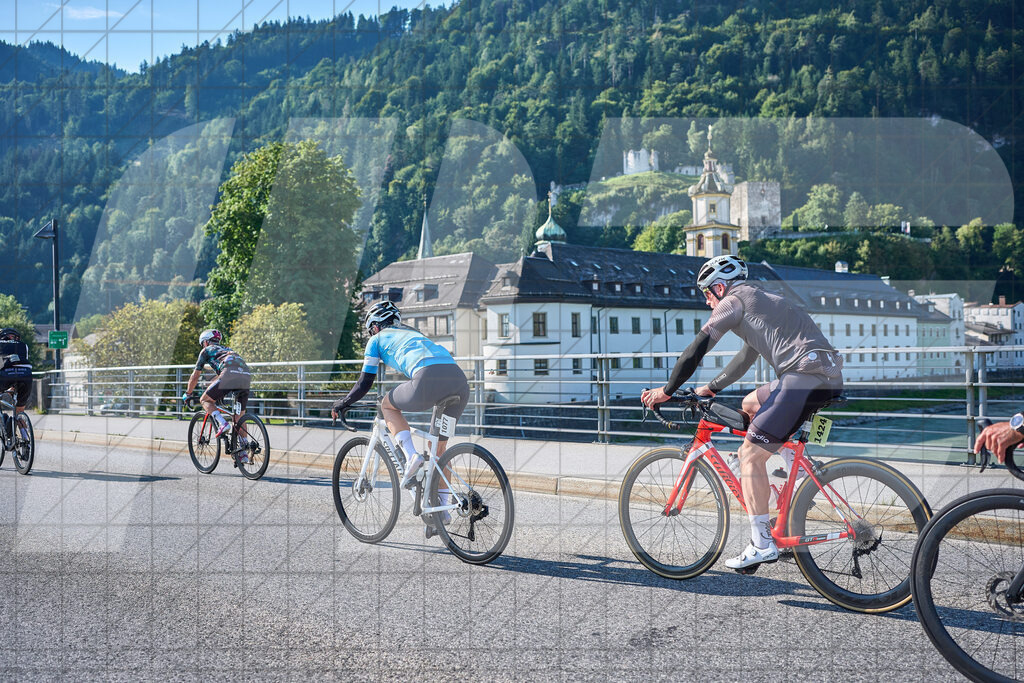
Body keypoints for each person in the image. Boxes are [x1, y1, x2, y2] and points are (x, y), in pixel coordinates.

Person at [641, 255, 844, 570]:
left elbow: (696, 349)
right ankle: (796, 467)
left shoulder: (733, 301)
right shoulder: (763, 301)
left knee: (749, 455)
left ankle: (761, 543)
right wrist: (711, 388)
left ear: (720, 287)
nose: (707, 300)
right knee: (751, 404)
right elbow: (747, 357)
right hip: (822, 374)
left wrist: (666, 391)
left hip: (802, 378)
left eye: (707, 293)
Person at [330, 300, 470, 524]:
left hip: (428, 377)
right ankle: (443, 509)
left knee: (387, 404)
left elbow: (365, 382)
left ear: (375, 327)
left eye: (370, 331)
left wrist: (343, 402)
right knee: (439, 449)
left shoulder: (375, 340)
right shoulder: (412, 333)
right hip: (459, 382)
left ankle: (411, 456)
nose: (371, 334)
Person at [182, 329, 252, 447]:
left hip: (228, 374)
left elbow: (195, 376)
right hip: (245, 375)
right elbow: (222, 375)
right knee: (239, 417)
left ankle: (222, 423)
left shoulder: (206, 351)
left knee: (205, 400)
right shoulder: (228, 350)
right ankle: (243, 449)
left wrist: (188, 393)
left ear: (205, 342)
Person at [0, 327, 33, 439]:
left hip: (6, 375)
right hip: (26, 375)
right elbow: (20, 364)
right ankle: (25, 438)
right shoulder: (24, 346)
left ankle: (5, 424)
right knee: (19, 411)